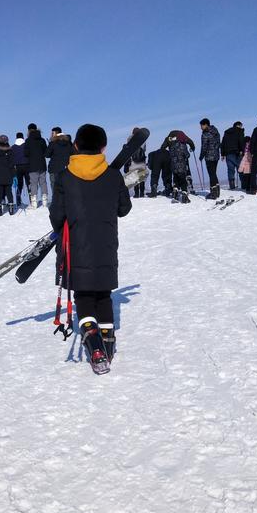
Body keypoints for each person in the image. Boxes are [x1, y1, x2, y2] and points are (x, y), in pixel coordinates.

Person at [49, 123, 132, 374]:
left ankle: (93, 341)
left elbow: (56, 216)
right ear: (103, 147)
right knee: (103, 293)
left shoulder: (64, 176)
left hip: (75, 245)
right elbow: (123, 209)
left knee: (84, 294)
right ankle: (107, 341)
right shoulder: (113, 175)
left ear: (76, 146)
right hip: (105, 244)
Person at [161, 130, 195, 203]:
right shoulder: (181, 136)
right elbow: (190, 142)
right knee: (183, 178)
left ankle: (175, 193)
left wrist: (168, 155)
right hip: (182, 162)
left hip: (173, 161)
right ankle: (184, 195)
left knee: (175, 176)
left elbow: (162, 148)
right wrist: (192, 148)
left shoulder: (168, 138)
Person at [24, 123, 48, 208]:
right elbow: (46, 152)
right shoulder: (42, 140)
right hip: (42, 164)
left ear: (28, 130)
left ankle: (34, 202)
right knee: (43, 182)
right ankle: (45, 201)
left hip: (32, 165)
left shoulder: (27, 141)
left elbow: (25, 153)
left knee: (33, 183)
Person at [46, 126, 73, 195]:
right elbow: (73, 153)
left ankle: (56, 201)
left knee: (54, 185)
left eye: (52, 133)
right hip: (66, 168)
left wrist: (49, 144)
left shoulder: (53, 142)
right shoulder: (68, 142)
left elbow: (47, 154)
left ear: (55, 133)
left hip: (54, 168)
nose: (51, 134)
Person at [0, 135, 15, 215]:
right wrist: (14, 175)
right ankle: (11, 208)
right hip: (8, 174)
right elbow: (12, 164)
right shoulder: (9, 151)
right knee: (9, 192)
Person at [199, 118, 221, 199]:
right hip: (216, 155)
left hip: (209, 156)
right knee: (214, 173)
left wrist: (201, 156)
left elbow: (204, 147)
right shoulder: (215, 131)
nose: (200, 127)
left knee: (211, 174)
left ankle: (213, 193)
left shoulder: (205, 134)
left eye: (201, 125)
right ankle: (217, 191)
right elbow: (219, 143)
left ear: (205, 125)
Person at [221, 122, 245, 189]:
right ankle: (244, 185)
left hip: (228, 154)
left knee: (230, 170)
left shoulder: (227, 132)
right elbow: (241, 141)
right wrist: (242, 150)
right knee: (240, 169)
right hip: (237, 153)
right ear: (239, 125)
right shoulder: (239, 131)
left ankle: (232, 186)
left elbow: (223, 143)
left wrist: (222, 154)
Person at [124, 129, 147, 198]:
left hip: (133, 161)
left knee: (135, 177)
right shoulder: (143, 138)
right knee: (142, 177)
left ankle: (136, 194)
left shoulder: (129, 138)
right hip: (142, 160)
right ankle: (142, 193)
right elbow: (144, 149)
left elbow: (128, 150)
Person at [11, 132, 30, 206]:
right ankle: (32, 200)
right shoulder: (26, 145)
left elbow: (11, 158)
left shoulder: (13, 147)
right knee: (29, 183)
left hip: (17, 167)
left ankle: (18, 201)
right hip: (27, 165)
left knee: (19, 184)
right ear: (23, 138)